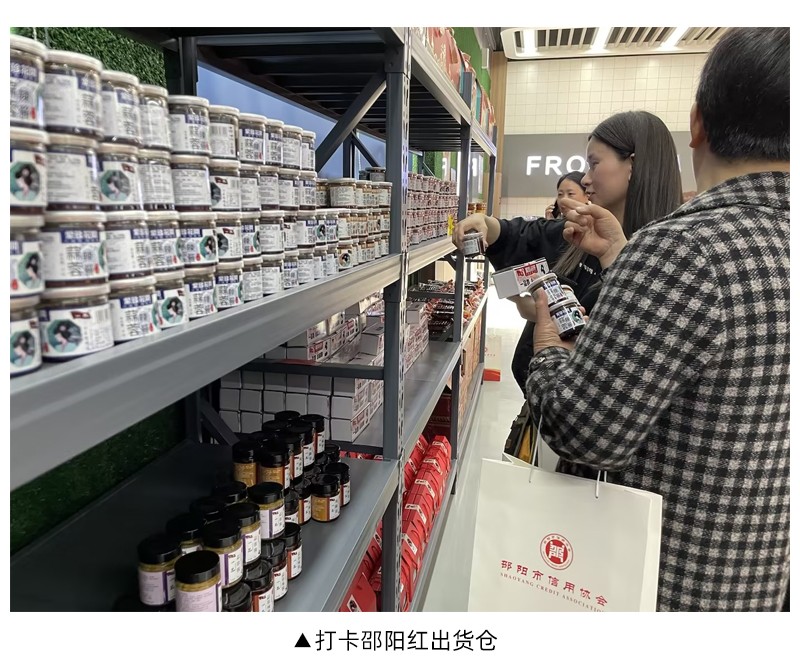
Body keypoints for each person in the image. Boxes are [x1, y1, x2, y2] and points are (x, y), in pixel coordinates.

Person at [526, 27, 789, 611]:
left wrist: (547, 348)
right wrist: (622, 258)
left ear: (697, 124)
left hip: (657, 585)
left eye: (594, 162)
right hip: (753, 583)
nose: (586, 177)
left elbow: (583, 429)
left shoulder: (685, 248)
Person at [454, 111, 682, 391]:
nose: (585, 179)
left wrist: (551, 320)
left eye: (594, 164)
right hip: (543, 393)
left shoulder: (665, 257)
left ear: (632, 165)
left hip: (577, 400)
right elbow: (530, 234)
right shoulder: (584, 230)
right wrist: (487, 224)